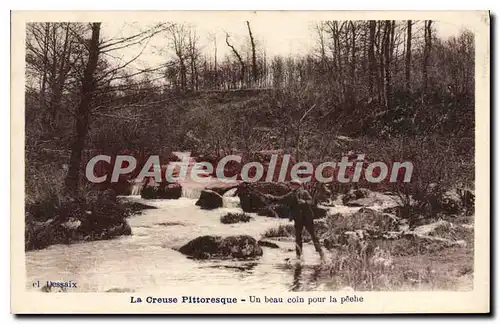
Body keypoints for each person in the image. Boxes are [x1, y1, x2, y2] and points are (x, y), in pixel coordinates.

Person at [259, 179, 325, 261]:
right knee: (298, 237)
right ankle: (298, 255)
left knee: (313, 235)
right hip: (297, 218)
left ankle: (320, 252)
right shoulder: (291, 194)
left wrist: (304, 202)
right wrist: (271, 197)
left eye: (293, 185)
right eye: (291, 184)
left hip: (307, 217)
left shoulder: (305, 192)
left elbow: (311, 201)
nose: (291, 186)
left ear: (298, 185)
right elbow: (281, 199)